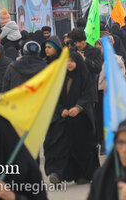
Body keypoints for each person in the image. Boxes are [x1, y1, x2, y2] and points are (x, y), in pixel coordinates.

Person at [44, 50, 99, 185]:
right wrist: (61, 109)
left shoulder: (84, 76)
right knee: (58, 145)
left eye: (72, 61)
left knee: (82, 147)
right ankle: (57, 173)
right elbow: (54, 96)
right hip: (63, 118)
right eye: (67, 61)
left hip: (81, 119)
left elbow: (89, 94)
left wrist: (78, 108)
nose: (69, 64)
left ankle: (83, 174)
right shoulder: (60, 77)